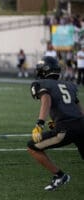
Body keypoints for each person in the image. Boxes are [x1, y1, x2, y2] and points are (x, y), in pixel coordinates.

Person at [28, 56, 84, 191]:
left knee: (32, 147)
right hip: (82, 126)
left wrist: (40, 123)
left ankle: (60, 176)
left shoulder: (40, 84)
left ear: (44, 70)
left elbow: (46, 100)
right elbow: (79, 109)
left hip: (66, 129)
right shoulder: (69, 85)